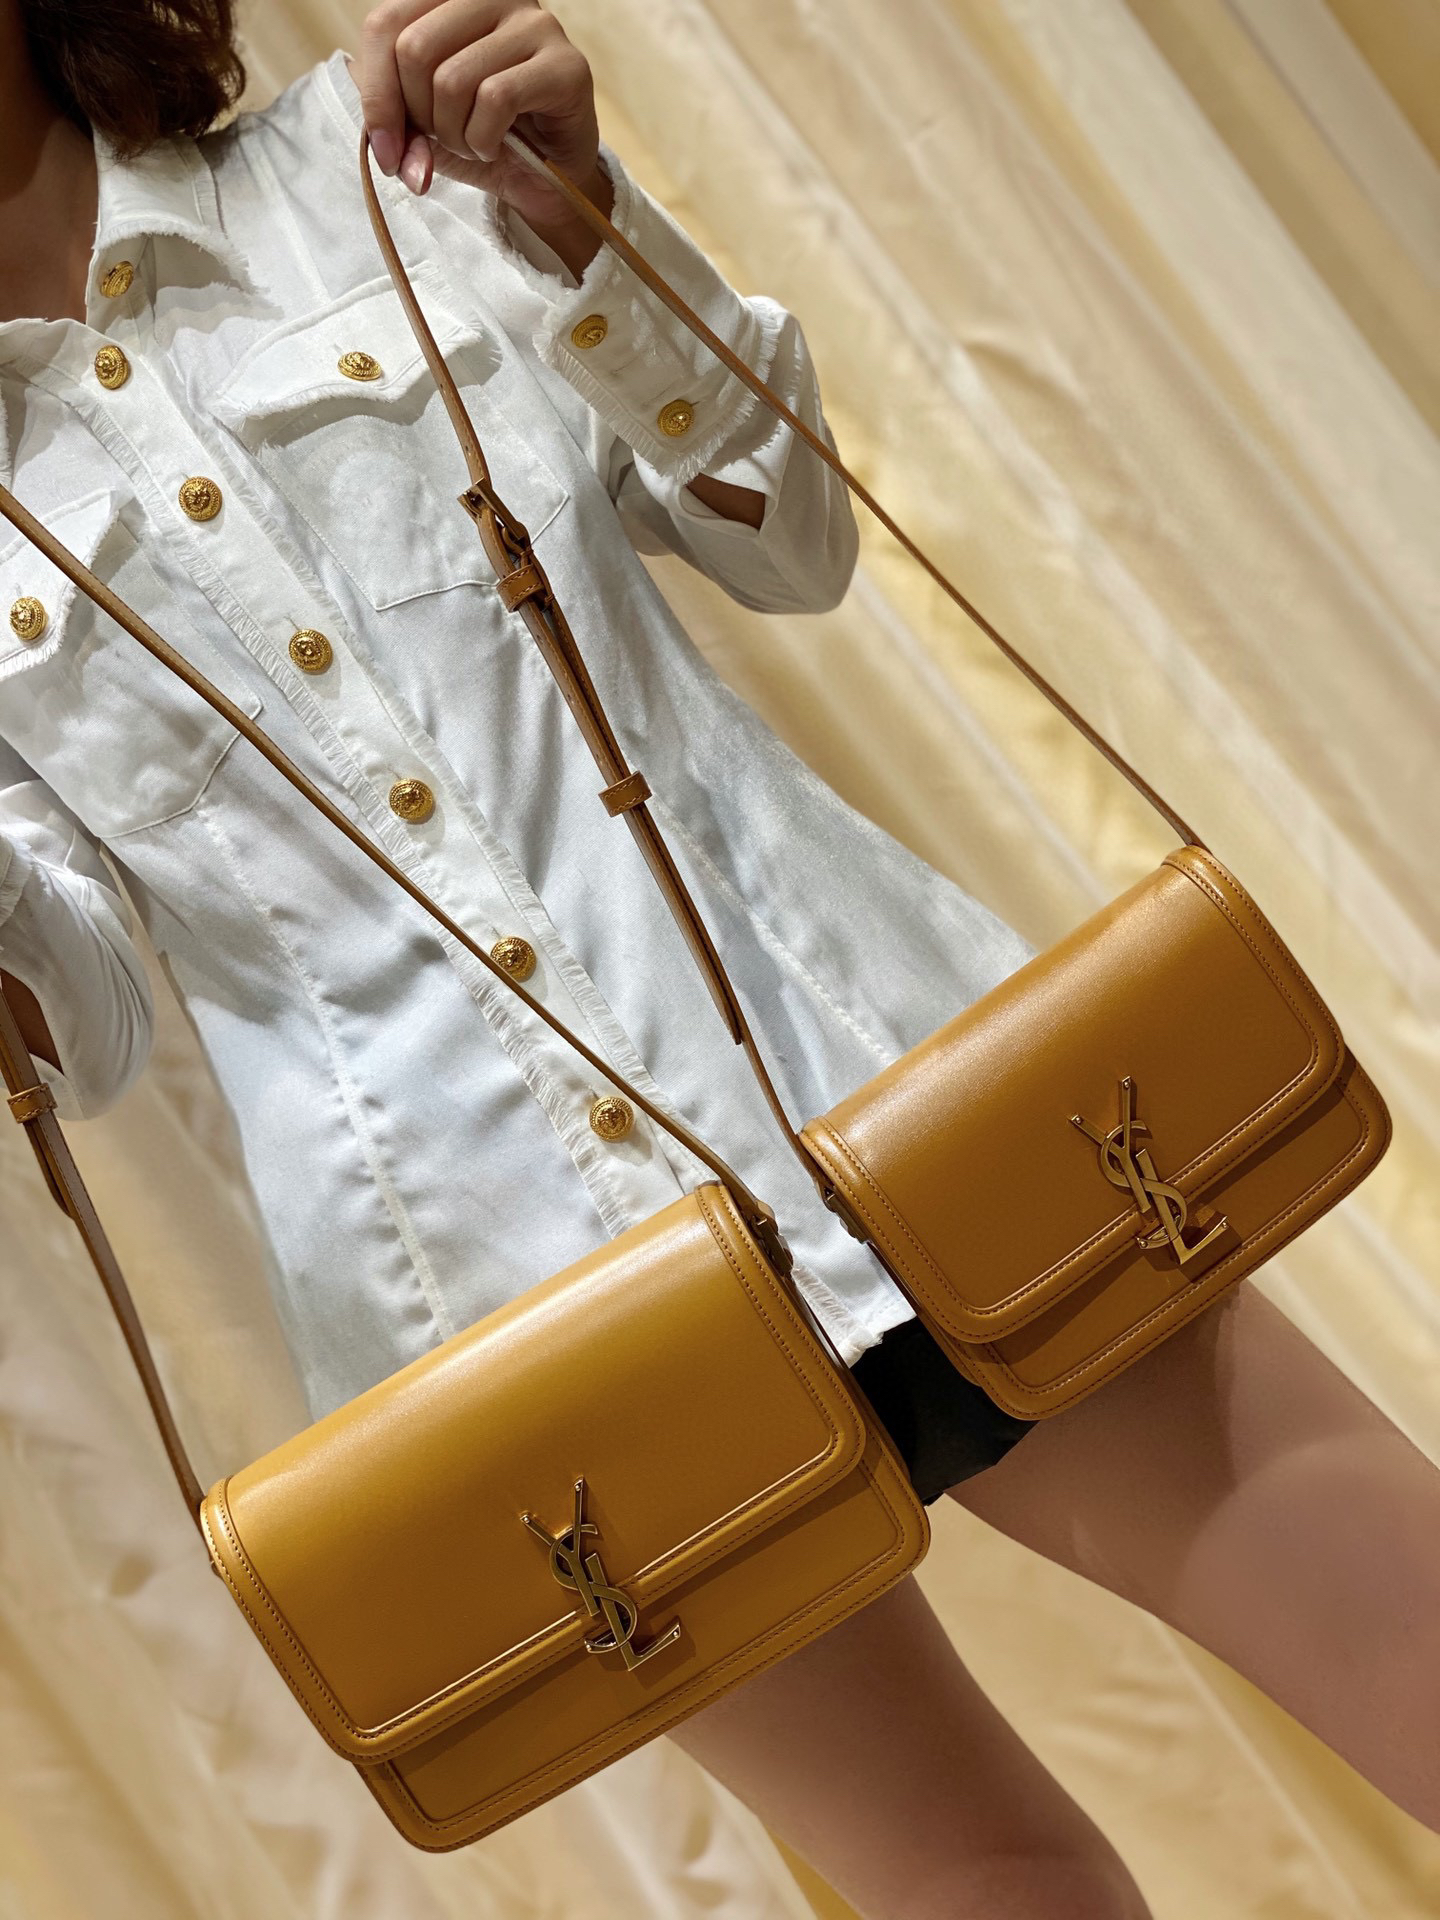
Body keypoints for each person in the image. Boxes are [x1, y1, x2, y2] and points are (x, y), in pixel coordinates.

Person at [0, 4, 1435, 1915]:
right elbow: (80, 1023)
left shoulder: (377, 167)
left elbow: (789, 535)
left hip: (878, 1080)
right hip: (506, 1321)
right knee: (981, 1887)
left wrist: (584, 221)